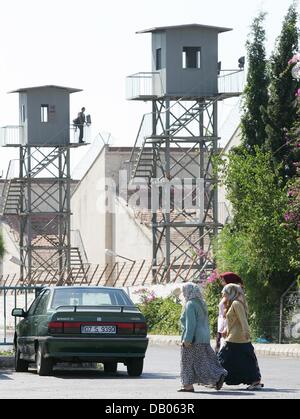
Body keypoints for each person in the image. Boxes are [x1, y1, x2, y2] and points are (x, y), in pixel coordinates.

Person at [178, 283, 227, 393]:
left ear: (188, 291)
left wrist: (187, 340)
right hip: (204, 336)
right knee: (204, 361)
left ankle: (188, 386)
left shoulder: (190, 304)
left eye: (184, 291)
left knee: (187, 362)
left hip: (193, 338)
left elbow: (191, 324)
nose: (183, 293)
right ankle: (218, 375)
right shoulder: (201, 303)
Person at [218, 283, 264, 390]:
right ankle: (254, 381)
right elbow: (234, 321)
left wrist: (246, 332)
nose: (223, 295)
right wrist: (226, 329)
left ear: (231, 292)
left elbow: (243, 320)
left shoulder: (236, 303)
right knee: (245, 360)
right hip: (236, 336)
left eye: (225, 293)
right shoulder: (235, 303)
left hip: (236, 337)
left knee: (223, 358)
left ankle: (215, 378)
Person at [215, 272, 244, 354]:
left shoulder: (234, 297)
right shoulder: (226, 294)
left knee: (225, 354)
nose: (222, 283)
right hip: (222, 326)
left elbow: (233, 315)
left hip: (229, 328)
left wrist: (226, 328)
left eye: (224, 280)